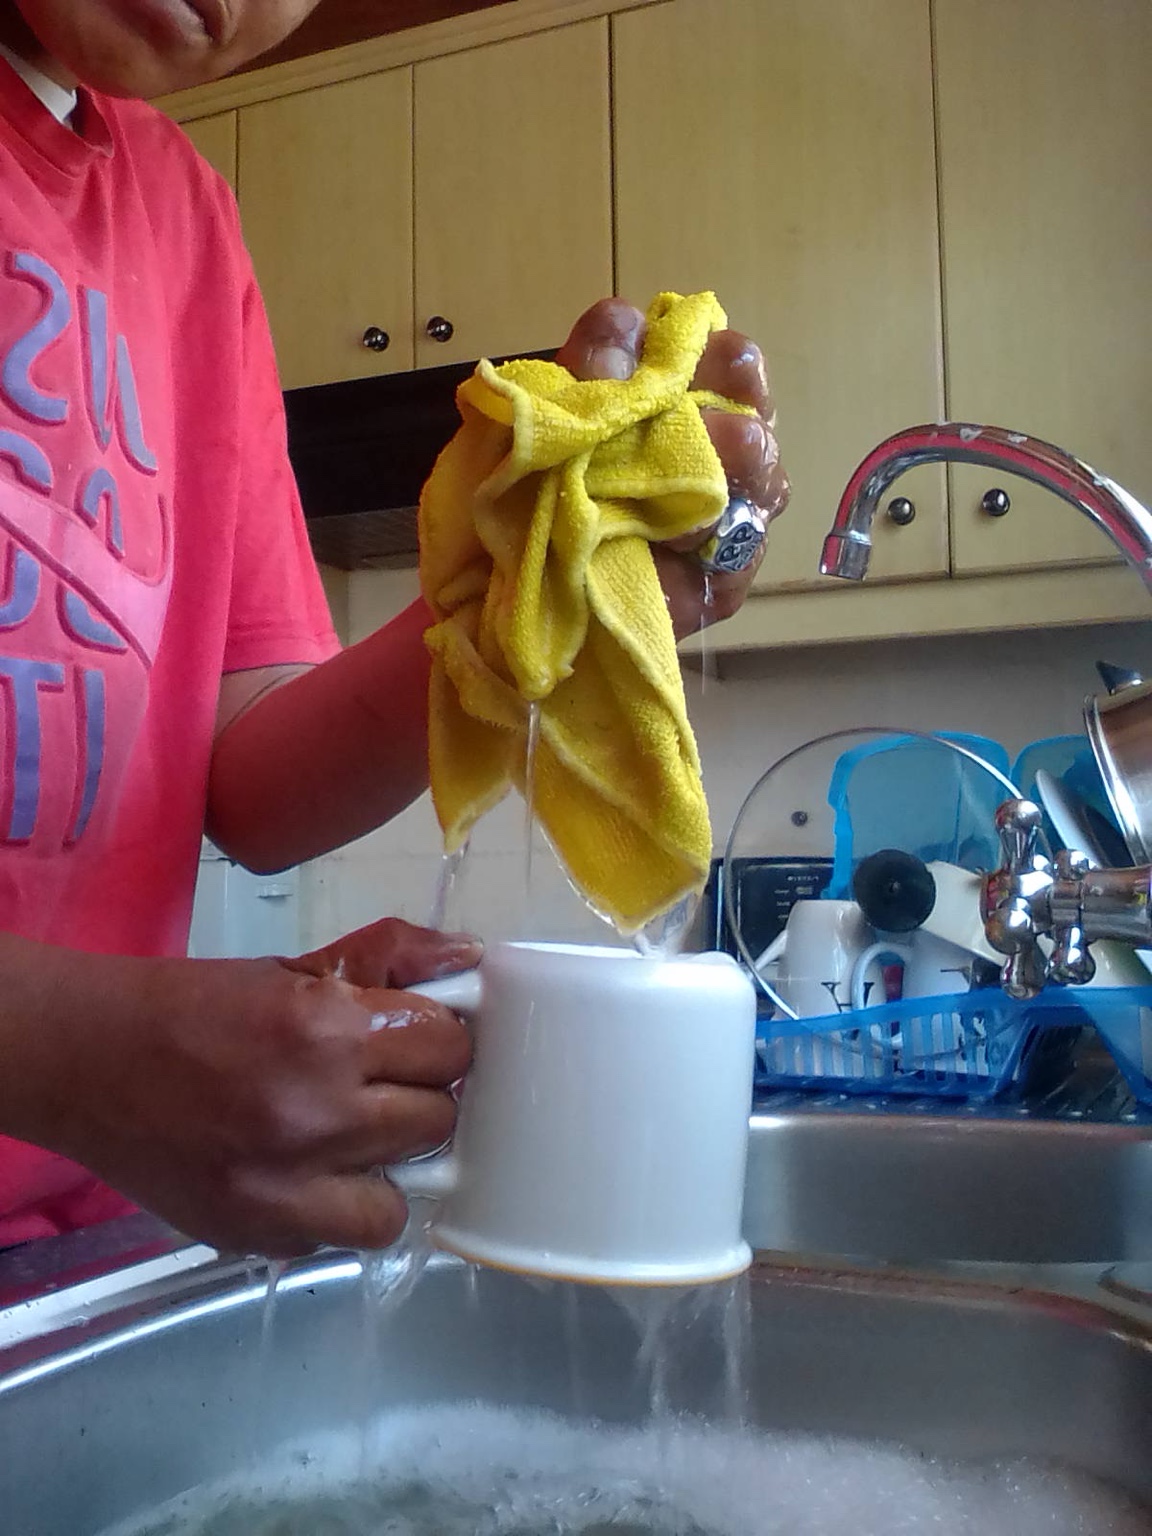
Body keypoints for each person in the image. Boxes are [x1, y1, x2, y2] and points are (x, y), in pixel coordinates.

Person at [0, 0, 788, 1258]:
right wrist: (87, 1052)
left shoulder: (184, 218)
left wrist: (523, 589)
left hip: (65, 1248)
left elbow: (247, 776)